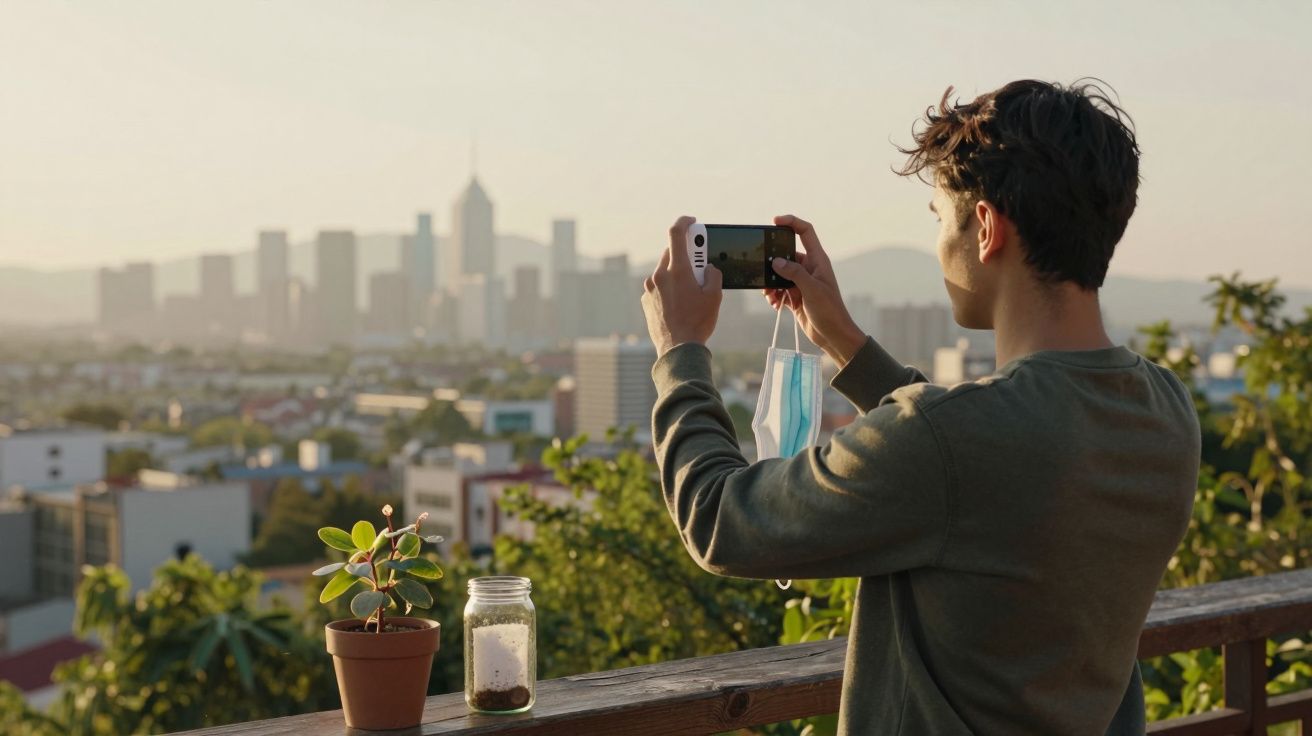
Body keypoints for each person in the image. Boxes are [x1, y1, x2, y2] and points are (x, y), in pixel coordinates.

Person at [639, 79, 1200, 735]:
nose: (938, 244)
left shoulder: (951, 441)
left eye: (939, 218)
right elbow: (983, 465)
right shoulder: (1166, 411)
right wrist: (843, 341)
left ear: (986, 227)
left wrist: (679, 351)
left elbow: (720, 520)